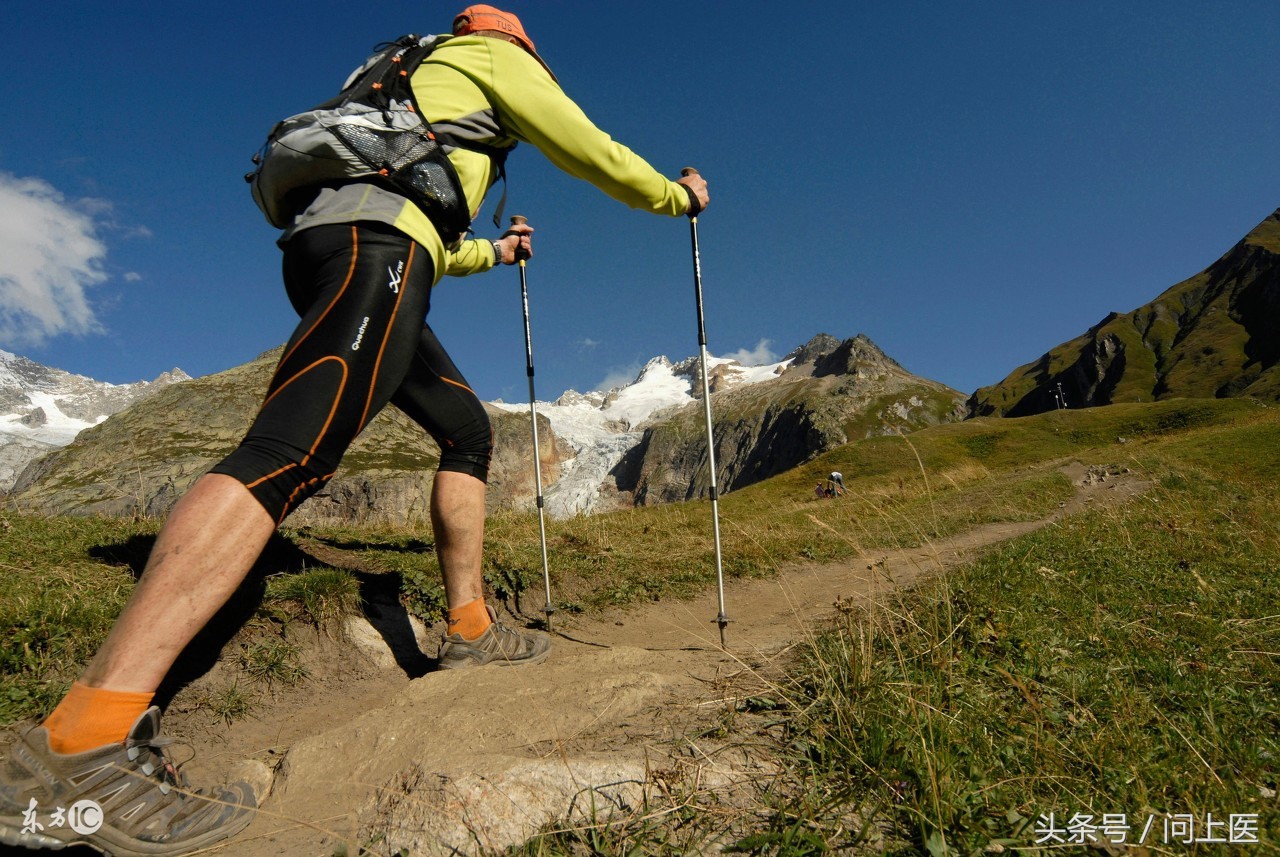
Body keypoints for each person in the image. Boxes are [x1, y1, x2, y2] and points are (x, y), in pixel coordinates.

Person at [0, 7, 710, 855]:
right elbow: (588, 147)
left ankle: (471, 627)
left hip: (351, 243)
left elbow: (429, 233)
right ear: (518, 43)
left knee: (464, 431)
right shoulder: (494, 57)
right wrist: (677, 196)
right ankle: (85, 737)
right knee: (287, 453)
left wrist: (497, 255)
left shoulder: (407, 81)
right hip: (379, 247)